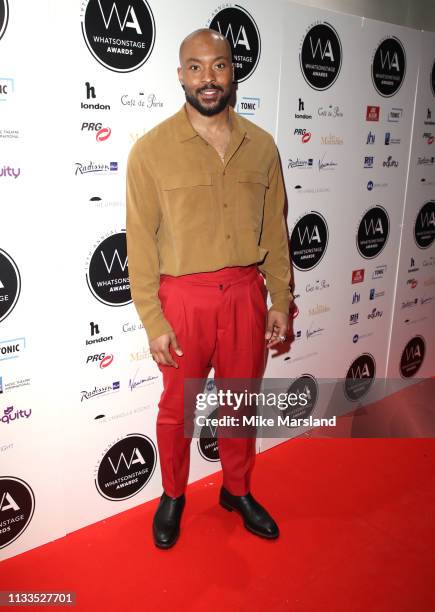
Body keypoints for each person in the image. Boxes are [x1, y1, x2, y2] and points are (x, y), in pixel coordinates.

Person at [126, 28, 293, 549]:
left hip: (246, 293)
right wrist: (153, 320)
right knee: (179, 408)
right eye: (195, 67)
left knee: (240, 402)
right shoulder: (150, 151)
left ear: (232, 71)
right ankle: (173, 495)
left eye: (218, 65)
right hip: (184, 300)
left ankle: (236, 490)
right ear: (180, 75)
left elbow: (275, 232)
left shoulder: (262, 147)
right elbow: (140, 244)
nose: (208, 77)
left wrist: (280, 299)